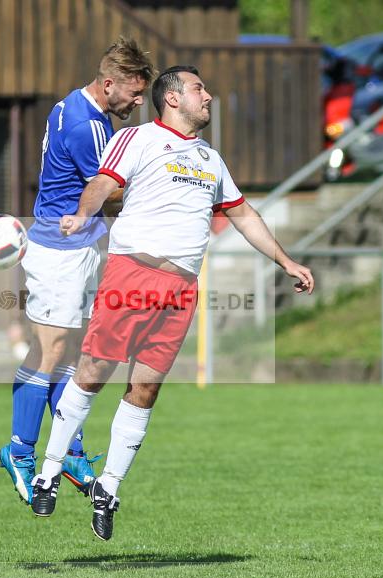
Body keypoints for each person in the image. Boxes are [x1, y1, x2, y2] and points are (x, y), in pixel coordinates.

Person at [29, 65, 315, 540]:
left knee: (145, 389)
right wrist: (82, 214)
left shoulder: (210, 159)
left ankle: (108, 488)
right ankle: (49, 471)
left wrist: (286, 261)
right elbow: (102, 182)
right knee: (94, 372)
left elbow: (243, 214)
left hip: (181, 289)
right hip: (132, 274)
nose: (209, 96)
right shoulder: (139, 137)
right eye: (199, 89)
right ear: (173, 98)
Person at [0, 38, 156, 504]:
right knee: (48, 352)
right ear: (108, 85)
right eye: (134, 93)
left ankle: (69, 450)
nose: (138, 102)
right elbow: (107, 190)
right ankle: (19, 451)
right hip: (60, 251)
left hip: (76, 247)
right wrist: (161, 184)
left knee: (71, 353)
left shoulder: (74, 105)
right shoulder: (89, 127)